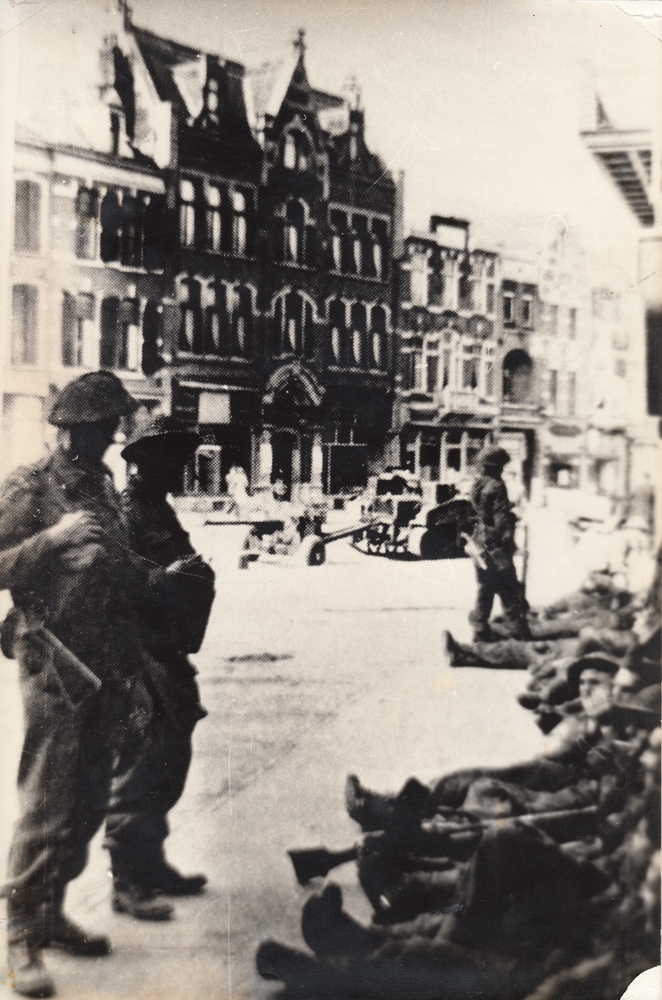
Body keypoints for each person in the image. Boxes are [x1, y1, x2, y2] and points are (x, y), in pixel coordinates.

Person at [0, 372, 141, 998]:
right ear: (73, 432)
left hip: (105, 660)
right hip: (53, 658)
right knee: (47, 799)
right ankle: (20, 935)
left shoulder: (104, 484)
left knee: (88, 798)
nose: (113, 437)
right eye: (104, 427)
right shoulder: (30, 487)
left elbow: (117, 570)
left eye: (113, 427)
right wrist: (48, 543)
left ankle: (53, 911)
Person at [104, 416, 215, 921]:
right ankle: (126, 879)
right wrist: (166, 578)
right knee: (141, 763)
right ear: (146, 462)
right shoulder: (127, 512)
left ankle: (151, 863)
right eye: (173, 459)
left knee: (170, 759)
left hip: (166, 652)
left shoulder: (158, 508)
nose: (182, 467)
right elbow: (117, 581)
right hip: (138, 655)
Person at [466, 445, 529, 642]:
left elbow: (480, 512)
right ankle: (515, 633)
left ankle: (479, 629)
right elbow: (500, 520)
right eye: (501, 466)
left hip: (479, 542)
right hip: (496, 546)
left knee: (485, 587)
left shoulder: (477, 485)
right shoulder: (497, 485)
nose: (502, 469)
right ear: (496, 466)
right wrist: (512, 543)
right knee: (509, 588)